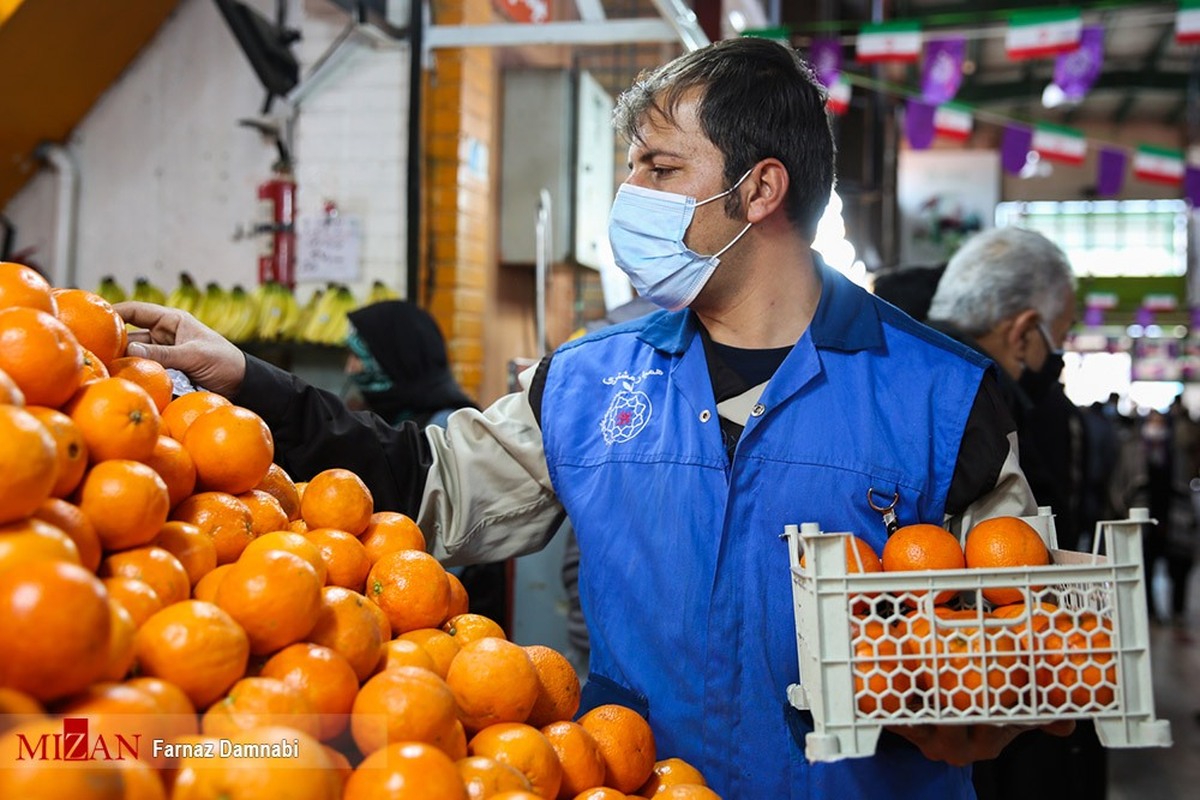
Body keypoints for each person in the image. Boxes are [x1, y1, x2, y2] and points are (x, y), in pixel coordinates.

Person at [117, 37, 1068, 799]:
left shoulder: (947, 396)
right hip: (631, 781)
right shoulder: (587, 380)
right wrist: (247, 378)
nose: (630, 199)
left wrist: (996, 706)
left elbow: (1011, 628)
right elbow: (425, 486)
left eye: (658, 168)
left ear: (761, 189)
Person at [925, 227, 1103, 800]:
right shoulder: (1003, 399)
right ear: (1025, 332)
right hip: (994, 708)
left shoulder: (888, 367)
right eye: (1061, 338)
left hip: (918, 680)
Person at [341, 299, 511, 629]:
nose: (350, 369)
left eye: (359, 357)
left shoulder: (447, 427)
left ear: (396, 359)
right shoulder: (387, 419)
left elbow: (442, 564)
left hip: (446, 621)